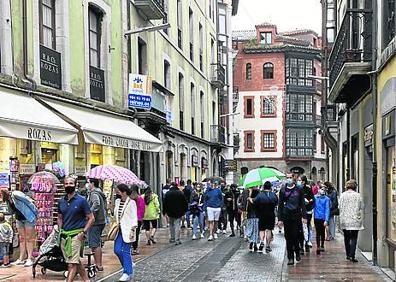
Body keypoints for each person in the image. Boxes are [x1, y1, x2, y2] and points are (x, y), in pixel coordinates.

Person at [58, 176, 95, 282]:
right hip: (65, 235)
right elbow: (60, 217)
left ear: (75, 185)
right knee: (75, 261)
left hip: (76, 235)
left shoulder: (81, 201)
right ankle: (86, 280)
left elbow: (91, 218)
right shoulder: (61, 201)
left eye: (70, 183)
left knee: (72, 264)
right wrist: (60, 231)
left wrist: (83, 232)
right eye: (66, 184)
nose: (68, 185)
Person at [2, 190, 36, 267]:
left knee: (29, 238)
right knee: (21, 238)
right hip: (19, 218)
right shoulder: (7, 199)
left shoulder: (15, 194)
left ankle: (30, 258)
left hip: (28, 217)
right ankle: (21, 258)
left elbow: (28, 200)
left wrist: (35, 212)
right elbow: (11, 211)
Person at [278, 176, 307, 265]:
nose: (289, 179)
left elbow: (302, 203)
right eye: (288, 177)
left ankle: (297, 252)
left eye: (290, 177)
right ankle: (290, 257)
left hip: (296, 214)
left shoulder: (299, 189)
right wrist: (280, 219)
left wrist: (304, 216)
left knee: (296, 235)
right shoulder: (283, 190)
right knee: (288, 236)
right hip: (286, 214)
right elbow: (280, 205)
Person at [113, 184, 138, 282]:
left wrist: (133, 229)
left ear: (124, 192)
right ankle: (129, 265)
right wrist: (111, 208)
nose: (116, 192)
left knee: (126, 251)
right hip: (119, 230)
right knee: (117, 250)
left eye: (118, 191)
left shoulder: (131, 203)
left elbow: (134, 217)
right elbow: (115, 215)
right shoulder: (117, 201)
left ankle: (127, 272)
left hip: (128, 230)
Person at [339, 179, 364, 263]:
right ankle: (352, 255)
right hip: (354, 219)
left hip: (344, 219)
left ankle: (347, 254)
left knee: (346, 237)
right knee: (354, 237)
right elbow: (362, 206)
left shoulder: (342, 195)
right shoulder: (358, 195)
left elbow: (340, 207)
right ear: (355, 187)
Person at [250, 182, 278, 253]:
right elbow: (277, 203)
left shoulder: (260, 195)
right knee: (269, 230)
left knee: (262, 230)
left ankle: (262, 242)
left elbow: (254, 201)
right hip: (271, 214)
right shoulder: (273, 195)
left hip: (262, 215)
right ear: (270, 187)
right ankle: (268, 245)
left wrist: (249, 198)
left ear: (263, 187)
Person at [87, 178, 106, 271]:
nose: (88, 185)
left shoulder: (94, 193)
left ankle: (98, 264)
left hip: (96, 221)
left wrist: (89, 213)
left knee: (94, 243)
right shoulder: (99, 192)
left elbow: (96, 204)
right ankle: (97, 263)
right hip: (100, 221)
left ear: (92, 183)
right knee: (96, 242)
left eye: (89, 183)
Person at [313, 187, 331, 255]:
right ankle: (319, 246)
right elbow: (327, 209)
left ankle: (321, 245)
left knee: (320, 232)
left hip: (320, 217)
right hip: (318, 217)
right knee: (320, 232)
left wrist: (326, 219)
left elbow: (327, 209)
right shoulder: (316, 197)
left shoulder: (326, 199)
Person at [301, 175, 315, 251]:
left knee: (308, 225)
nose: (301, 182)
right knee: (301, 226)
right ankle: (302, 240)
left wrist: (309, 201)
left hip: (308, 209)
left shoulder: (308, 189)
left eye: (302, 181)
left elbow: (312, 199)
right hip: (300, 211)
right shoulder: (298, 189)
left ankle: (308, 240)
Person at [131, 185, 145, 255]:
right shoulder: (140, 198)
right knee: (136, 233)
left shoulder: (129, 198)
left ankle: (130, 247)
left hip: (130, 218)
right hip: (138, 218)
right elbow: (142, 209)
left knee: (131, 232)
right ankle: (135, 248)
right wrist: (142, 217)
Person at [245, 187, 260, 252]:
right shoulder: (259, 200)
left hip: (250, 217)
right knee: (256, 231)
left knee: (251, 230)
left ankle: (251, 242)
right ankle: (255, 244)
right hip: (257, 217)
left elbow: (247, 209)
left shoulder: (249, 200)